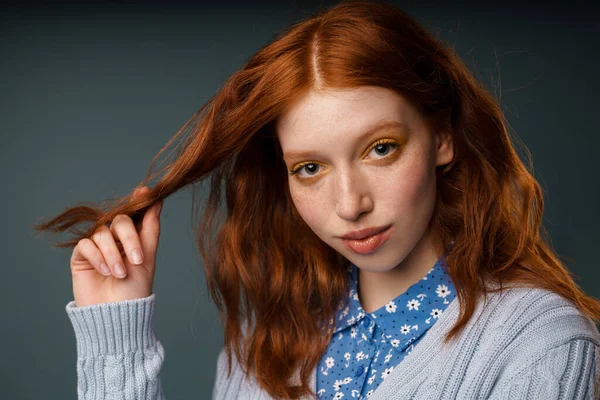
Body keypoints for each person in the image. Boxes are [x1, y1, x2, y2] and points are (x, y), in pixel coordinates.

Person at [34, 1, 600, 399]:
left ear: (443, 137)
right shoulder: (266, 344)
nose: (349, 204)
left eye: (381, 149)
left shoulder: (540, 347)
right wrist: (118, 331)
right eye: (310, 168)